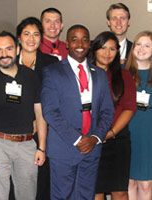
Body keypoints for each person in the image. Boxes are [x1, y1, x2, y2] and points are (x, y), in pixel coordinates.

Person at [41, 24, 114, 200]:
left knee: (85, 196)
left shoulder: (100, 74)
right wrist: (78, 140)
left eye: (84, 39)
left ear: (90, 44)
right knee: (62, 196)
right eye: (74, 39)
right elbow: (50, 111)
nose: (80, 43)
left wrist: (95, 138)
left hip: (92, 148)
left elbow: (107, 111)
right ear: (67, 44)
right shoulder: (52, 72)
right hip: (64, 148)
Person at [0, 31, 47, 200]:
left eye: (8, 49)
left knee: (28, 195)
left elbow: (40, 114)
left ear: (17, 49)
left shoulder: (31, 77)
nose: (4, 54)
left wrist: (41, 147)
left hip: (26, 144)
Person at [87, 31, 136, 200]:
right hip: (90, 141)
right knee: (95, 191)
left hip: (117, 140)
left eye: (112, 49)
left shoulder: (124, 76)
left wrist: (112, 132)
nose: (107, 53)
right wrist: (95, 136)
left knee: (120, 191)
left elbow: (129, 108)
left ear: (117, 52)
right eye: (103, 48)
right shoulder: (84, 74)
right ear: (95, 49)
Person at [16, 17, 58, 200]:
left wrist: (39, 120)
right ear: (19, 37)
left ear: (41, 38)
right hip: (13, 129)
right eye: (26, 34)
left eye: (36, 34)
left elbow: (56, 98)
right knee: (16, 181)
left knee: (41, 181)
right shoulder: (8, 60)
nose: (31, 39)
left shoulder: (51, 63)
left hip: (43, 129)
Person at [126, 31, 152, 200]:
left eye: (147, 45)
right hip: (126, 132)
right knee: (129, 182)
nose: (142, 49)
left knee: (146, 183)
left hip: (148, 134)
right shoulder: (121, 73)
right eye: (138, 44)